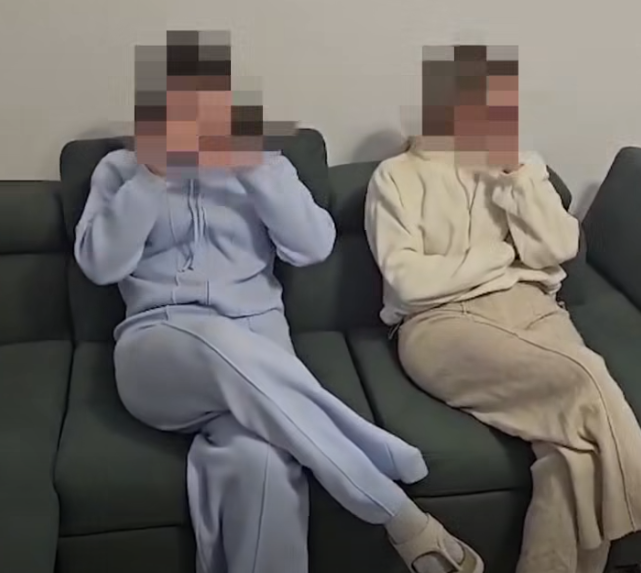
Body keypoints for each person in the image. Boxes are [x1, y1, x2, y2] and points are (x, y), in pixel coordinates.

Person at [74, 31, 484, 573]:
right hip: (157, 352)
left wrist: (252, 166)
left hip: (259, 349)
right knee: (213, 341)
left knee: (261, 462)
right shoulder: (121, 170)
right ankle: (394, 508)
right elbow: (100, 265)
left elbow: (313, 246)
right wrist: (152, 175)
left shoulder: (263, 165)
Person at [364, 44, 641, 573]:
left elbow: (559, 247)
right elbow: (409, 283)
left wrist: (516, 176)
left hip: (534, 309)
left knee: (572, 454)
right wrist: (503, 256)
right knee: (586, 377)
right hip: (441, 325)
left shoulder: (521, 165)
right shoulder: (395, 176)